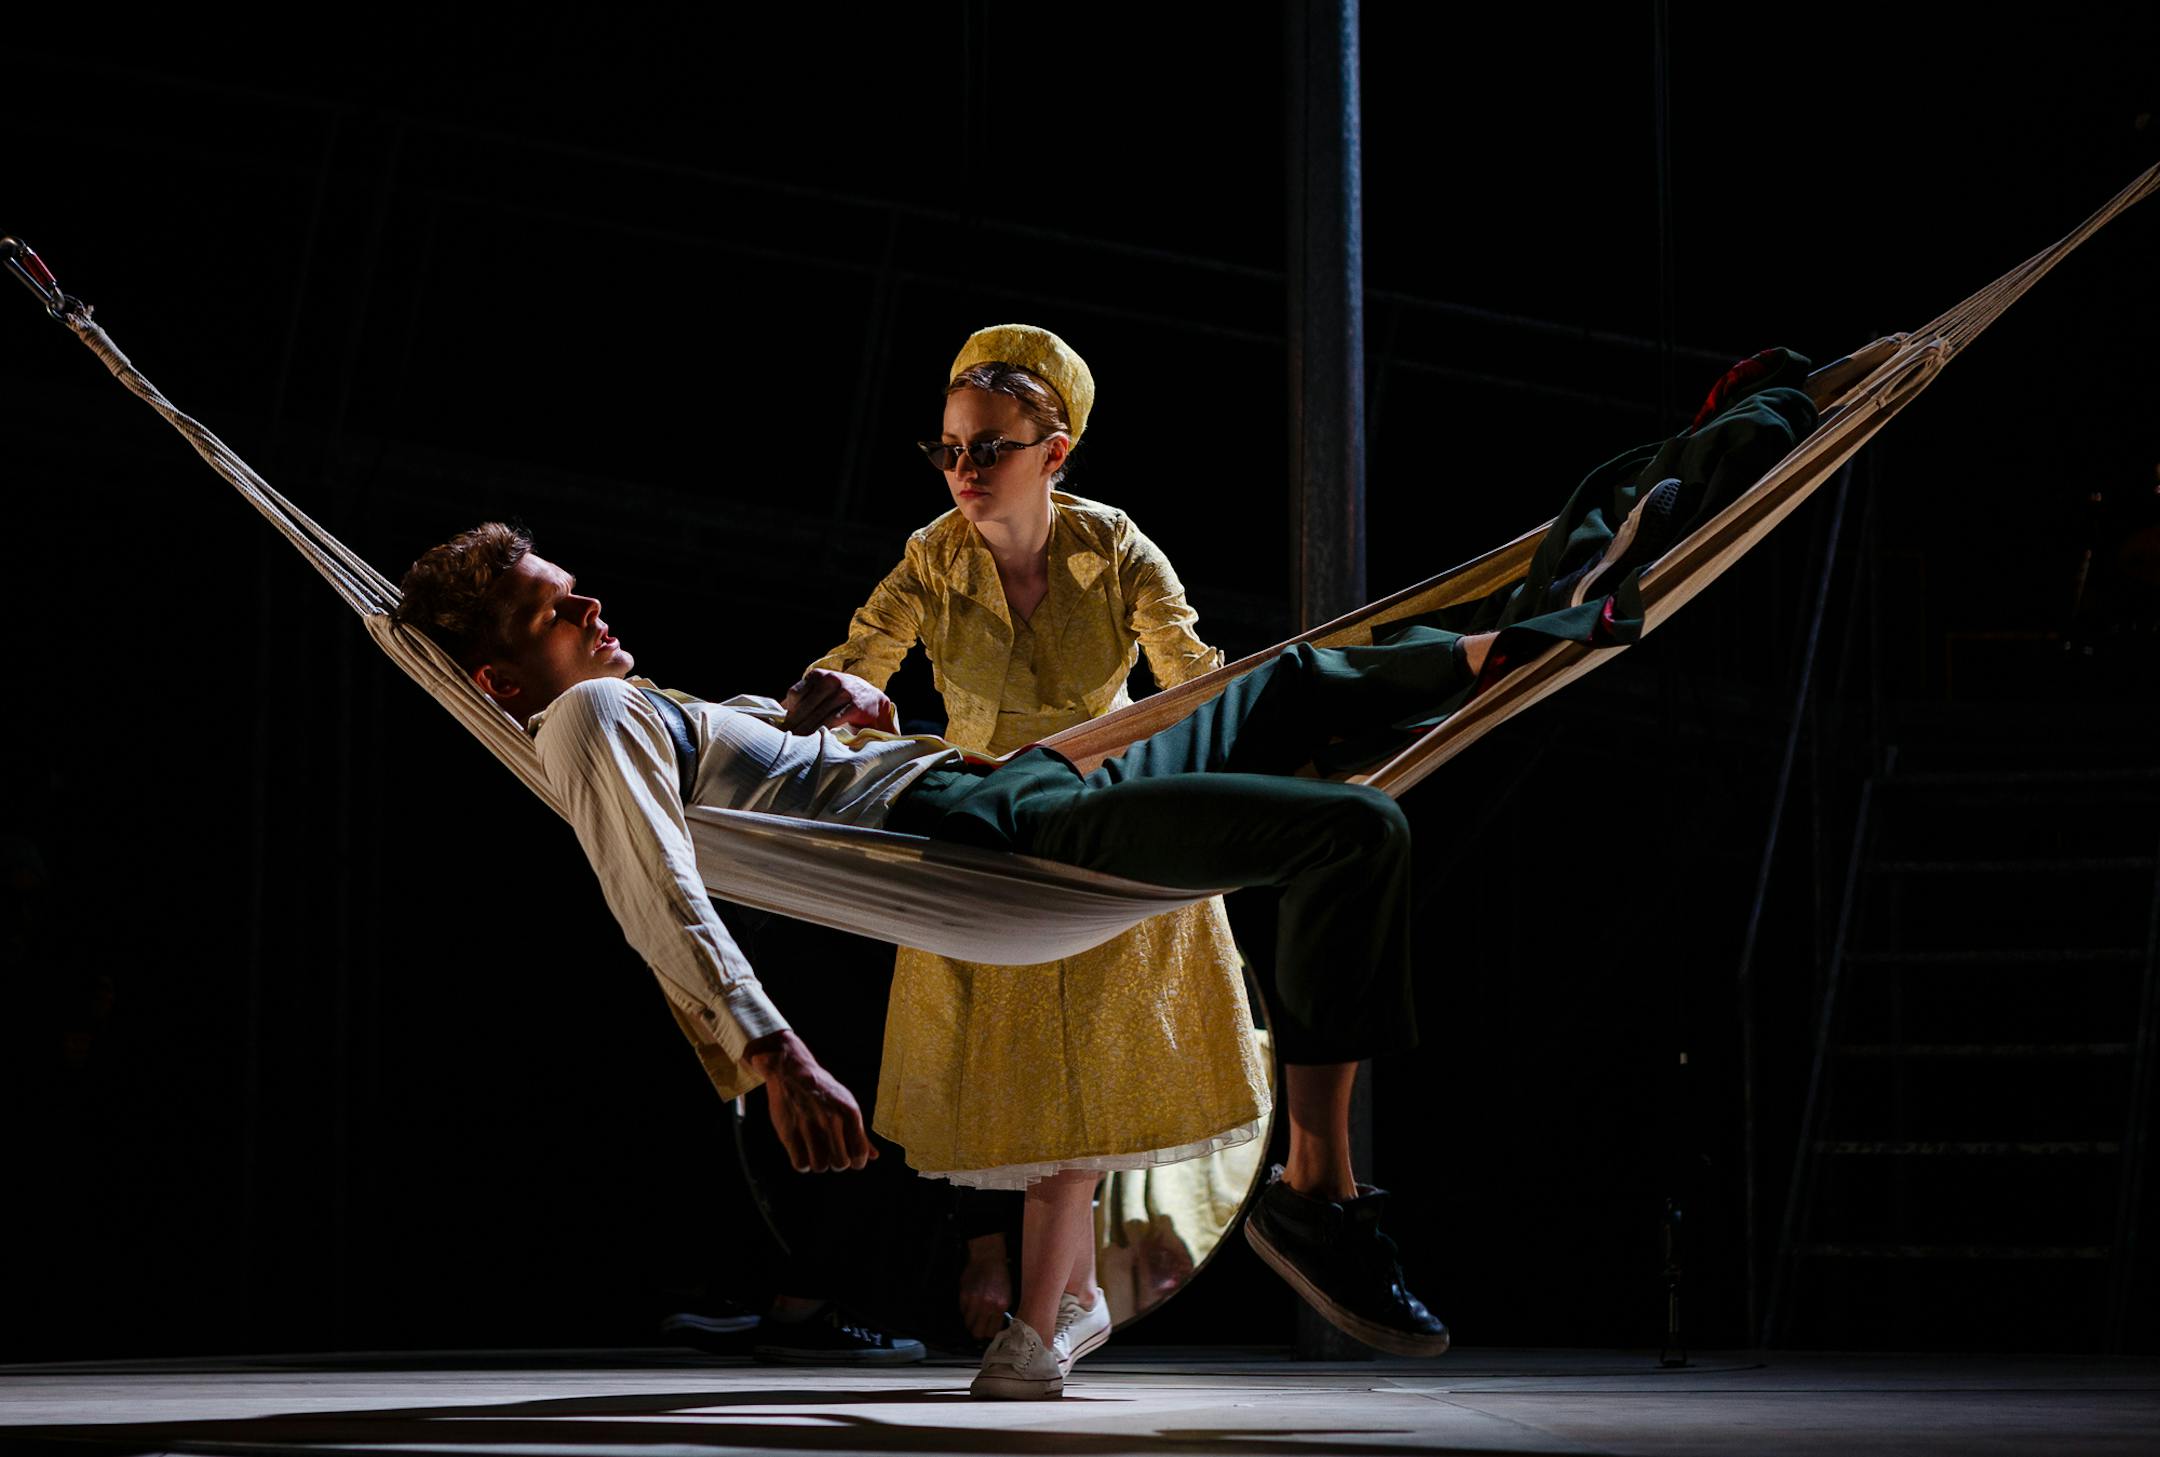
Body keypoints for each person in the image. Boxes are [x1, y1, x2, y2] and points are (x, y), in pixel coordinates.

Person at [389, 344, 1815, 1387]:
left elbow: (791, 749)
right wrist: (771, 1052)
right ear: (498, 675)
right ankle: (1316, 1190)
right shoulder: (585, 717)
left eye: (570, 584)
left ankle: (1618, 545)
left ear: (1053, 448)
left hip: (1010, 784)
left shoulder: (654, 699)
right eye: (551, 608)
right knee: (1359, 827)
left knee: (1312, 678)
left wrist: (852, 714)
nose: (590, 602)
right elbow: (658, 887)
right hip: (990, 833)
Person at [791, 324, 1267, 1396]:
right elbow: (859, 661)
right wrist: (851, 694)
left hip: (1096, 835)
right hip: (984, 840)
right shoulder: (933, 556)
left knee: (1078, 1091)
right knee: (1033, 1094)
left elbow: (1192, 674)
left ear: (1053, 455)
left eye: (988, 448)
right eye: (951, 448)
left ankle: (1036, 1329)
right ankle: (1066, 1307)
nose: (963, 471)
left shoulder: (1117, 548)